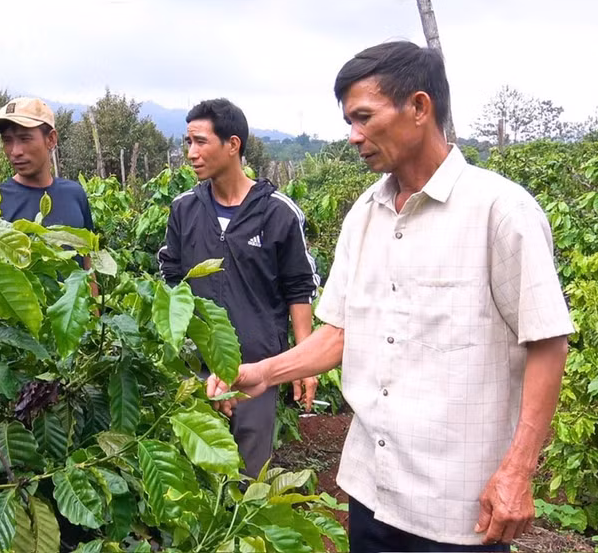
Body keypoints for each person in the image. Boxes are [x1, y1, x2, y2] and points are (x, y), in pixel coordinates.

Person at [207, 41, 573, 552]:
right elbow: (340, 332)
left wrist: (518, 469)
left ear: (419, 107)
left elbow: (548, 341)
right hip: (370, 489)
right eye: (348, 122)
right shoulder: (365, 214)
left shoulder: (501, 211)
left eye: (363, 117)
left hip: (459, 506)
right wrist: (263, 374)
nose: (353, 136)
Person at [158, 98, 320, 478]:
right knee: (194, 478)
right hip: (195, 369)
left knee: (248, 478)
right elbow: (170, 279)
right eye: (189, 142)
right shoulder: (184, 209)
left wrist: (305, 362)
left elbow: (299, 288)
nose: (191, 153)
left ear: (233, 145)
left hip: (257, 369)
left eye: (201, 142)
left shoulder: (278, 212)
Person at [0, 97, 94, 269]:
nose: (15, 151)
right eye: (7, 140)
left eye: (25, 138)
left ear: (51, 139)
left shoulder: (75, 194)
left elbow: (87, 263)